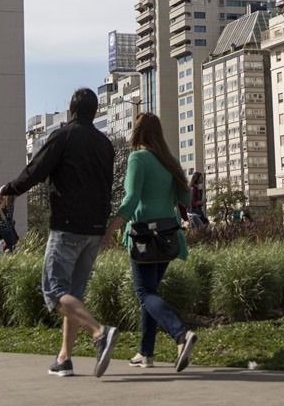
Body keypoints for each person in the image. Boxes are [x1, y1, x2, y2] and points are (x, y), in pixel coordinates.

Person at [0, 88, 118, 378]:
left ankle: (99, 333)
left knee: (54, 292)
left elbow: (36, 169)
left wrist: (10, 190)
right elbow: (107, 185)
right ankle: (64, 358)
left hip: (67, 226)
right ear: (95, 110)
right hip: (94, 230)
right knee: (73, 296)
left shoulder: (64, 136)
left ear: (71, 110)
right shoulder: (106, 144)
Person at [104, 113, 198, 373]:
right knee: (150, 293)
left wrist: (113, 227)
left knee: (144, 293)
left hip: (144, 238)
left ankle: (180, 334)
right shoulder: (170, 161)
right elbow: (186, 198)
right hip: (168, 237)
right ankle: (145, 353)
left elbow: (132, 197)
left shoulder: (138, 158)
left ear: (137, 133)